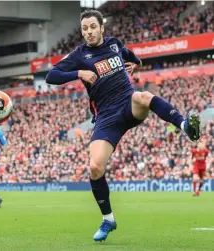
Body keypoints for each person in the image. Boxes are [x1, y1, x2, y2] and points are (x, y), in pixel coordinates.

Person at [45, 9, 201, 242]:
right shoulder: (79, 55)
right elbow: (51, 75)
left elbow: (127, 53)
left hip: (128, 104)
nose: (88, 32)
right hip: (106, 117)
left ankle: (184, 124)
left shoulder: (114, 44)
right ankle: (108, 219)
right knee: (95, 167)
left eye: (92, 27)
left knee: (143, 96)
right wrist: (79, 73)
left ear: (102, 28)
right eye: (84, 28)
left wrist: (135, 63)